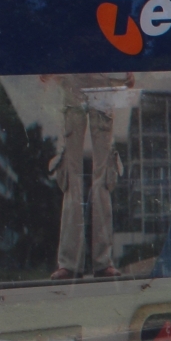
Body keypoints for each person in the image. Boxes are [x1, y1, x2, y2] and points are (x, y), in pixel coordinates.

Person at [51, 81, 131, 279]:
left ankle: (102, 262)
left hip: (100, 79)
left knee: (102, 179)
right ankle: (70, 263)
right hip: (73, 77)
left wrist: (127, 67)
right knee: (71, 176)